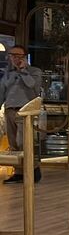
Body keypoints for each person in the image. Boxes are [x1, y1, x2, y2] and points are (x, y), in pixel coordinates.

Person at [0, 45, 43, 184]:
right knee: (13, 143)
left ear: (25, 57)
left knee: (23, 142)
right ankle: (18, 173)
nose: (16, 59)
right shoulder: (7, 73)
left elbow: (33, 86)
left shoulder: (34, 71)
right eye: (13, 56)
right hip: (10, 110)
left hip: (25, 111)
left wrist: (23, 71)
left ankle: (33, 169)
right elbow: (2, 91)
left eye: (19, 56)